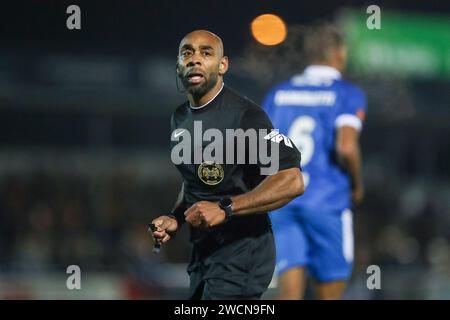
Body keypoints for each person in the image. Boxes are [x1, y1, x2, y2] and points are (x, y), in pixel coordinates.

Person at [150, 30, 304, 300]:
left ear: (223, 66)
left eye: (206, 53)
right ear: (178, 65)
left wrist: (226, 208)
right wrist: (175, 217)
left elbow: (292, 180)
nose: (195, 59)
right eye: (187, 53)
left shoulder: (245, 116)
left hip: (242, 254)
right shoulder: (180, 118)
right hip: (203, 255)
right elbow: (194, 181)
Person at [263, 23, 368, 300]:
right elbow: (346, 148)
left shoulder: (278, 93)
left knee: (289, 293)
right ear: (339, 54)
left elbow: (262, 151)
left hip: (284, 201)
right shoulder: (346, 93)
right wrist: (357, 184)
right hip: (327, 200)